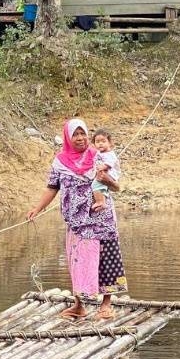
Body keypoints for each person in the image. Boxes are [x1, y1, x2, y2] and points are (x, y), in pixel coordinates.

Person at [27, 119, 127, 320]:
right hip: (76, 222)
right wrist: (37, 209)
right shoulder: (59, 162)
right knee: (79, 260)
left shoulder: (99, 156)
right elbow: (52, 188)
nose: (80, 138)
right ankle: (79, 305)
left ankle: (106, 304)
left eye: (83, 134)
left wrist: (107, 180)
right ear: (68, 137)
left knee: (106, 257)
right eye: (76, 134)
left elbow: (117, 187)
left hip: (101, 218)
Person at [90, 129, 120, 212]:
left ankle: (100, 202)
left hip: (108, 175)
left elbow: (109, 163)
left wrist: (103, 167)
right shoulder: (100, 153)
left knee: (95, 185)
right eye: (97, 142)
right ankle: (101, 202)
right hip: (103, 175)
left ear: (109, 143)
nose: (100, 144)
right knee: (100, 187)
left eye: (103, 141)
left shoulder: (109, 154)